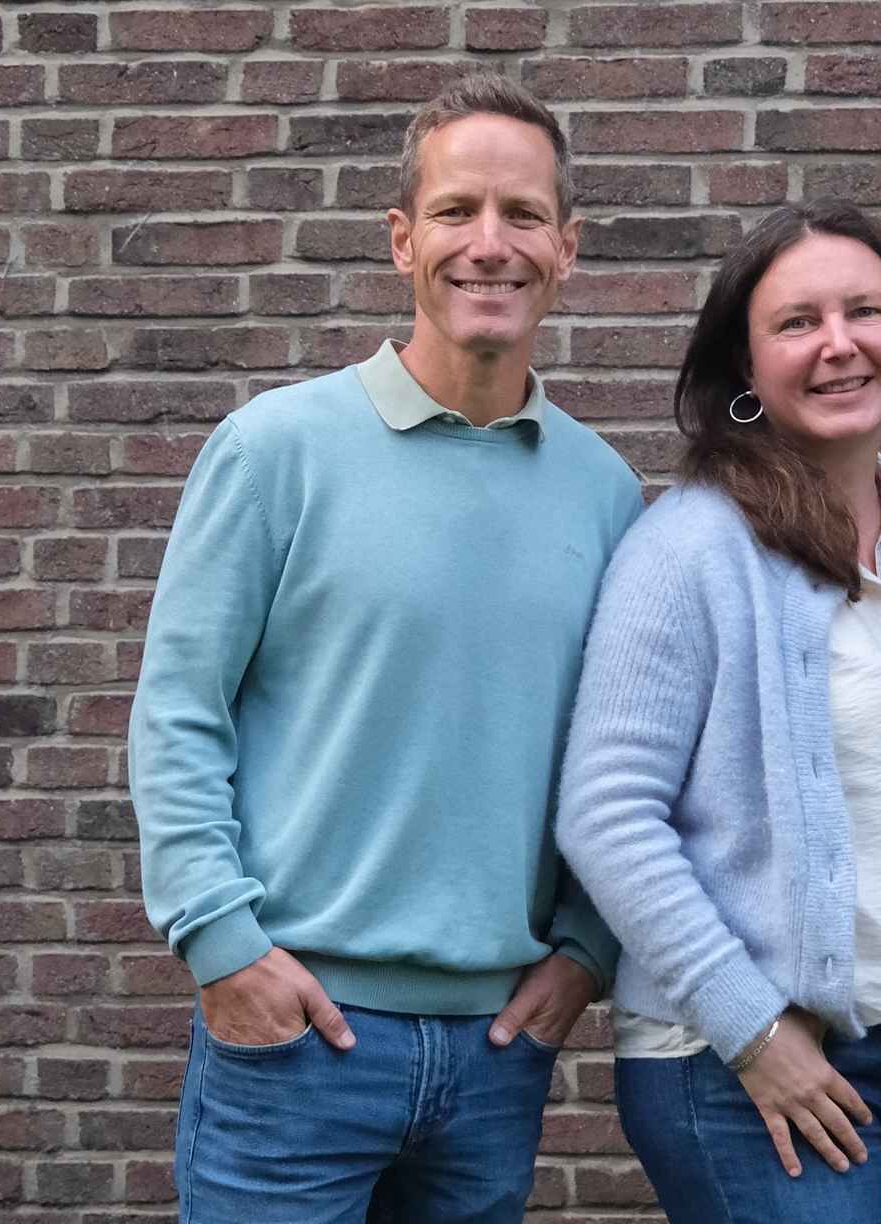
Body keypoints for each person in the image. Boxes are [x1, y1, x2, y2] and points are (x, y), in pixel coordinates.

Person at [128, 75, 639, 1220]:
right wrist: (220, 944)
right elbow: (178, 711)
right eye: (456, 211)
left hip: (496, 1058)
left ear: (566, 248)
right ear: (403, 240)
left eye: (522, 215)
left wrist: (585, 952)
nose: (489, 244)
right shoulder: (275, 451)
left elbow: (622, 752)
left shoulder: (604, 491)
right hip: (295, 1044)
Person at [554, 199, 881, 1224]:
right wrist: (751, 1028)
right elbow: (605, 814)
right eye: (797, 322)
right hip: (742, 1072)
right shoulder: (692, 549)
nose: (839, 344)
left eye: (865, 311)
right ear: (744, 368)